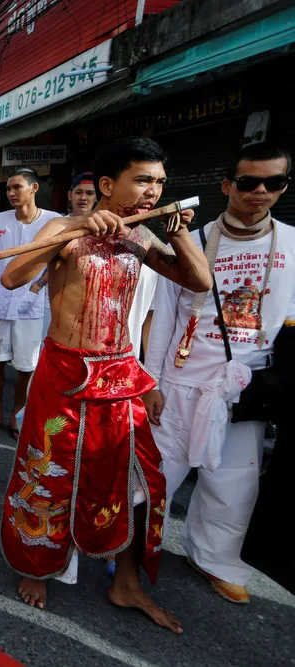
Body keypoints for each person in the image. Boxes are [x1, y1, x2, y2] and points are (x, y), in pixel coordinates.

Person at [0, 137, 212, 632]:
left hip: (120, 377)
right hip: (65, 375)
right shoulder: (62, 229)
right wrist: (72, 225)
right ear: (109, 185)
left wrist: (178, 235)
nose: (154, 190)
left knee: (142, 483)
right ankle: (39, 567)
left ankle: (127, 582)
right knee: (49, 473)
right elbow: (11, 278)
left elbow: (198, 281)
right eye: (143, 179)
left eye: (160, 181)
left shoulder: (141, 238)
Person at [144, 142, 294, 604]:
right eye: (249, 182)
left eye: (274, 183)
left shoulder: (292, 243)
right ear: (227, 185)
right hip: (181, 378)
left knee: (235, 480)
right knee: (156, 473)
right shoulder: (191, 240)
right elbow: (164, 314)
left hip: (246, 388)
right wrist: (150, 382)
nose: (260, 192)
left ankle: (213, 558)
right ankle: (133, 550)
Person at [0, 168, 62, 439]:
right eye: (9, 189)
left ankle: (16, 414)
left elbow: (56, 260)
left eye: (17, 187)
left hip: (32, 306)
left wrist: (37, 286)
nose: (11, 193)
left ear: (34, 188)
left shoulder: (53, 221)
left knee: (26, 365)